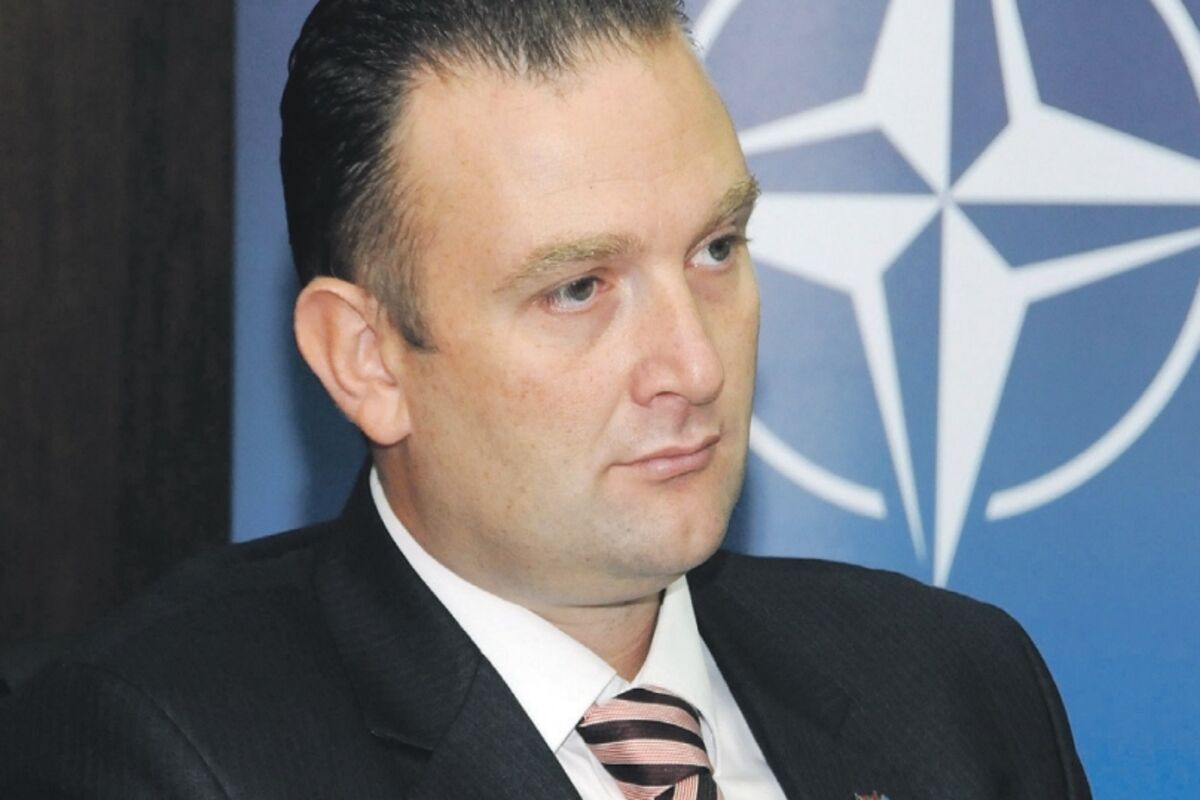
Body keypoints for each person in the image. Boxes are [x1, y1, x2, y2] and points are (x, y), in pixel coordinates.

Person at [0, 1, 1091, 797]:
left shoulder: (954, 687)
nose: (694, 366)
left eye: (716, 248)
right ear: (366, 359)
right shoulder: (168, 755)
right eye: (578, 288)